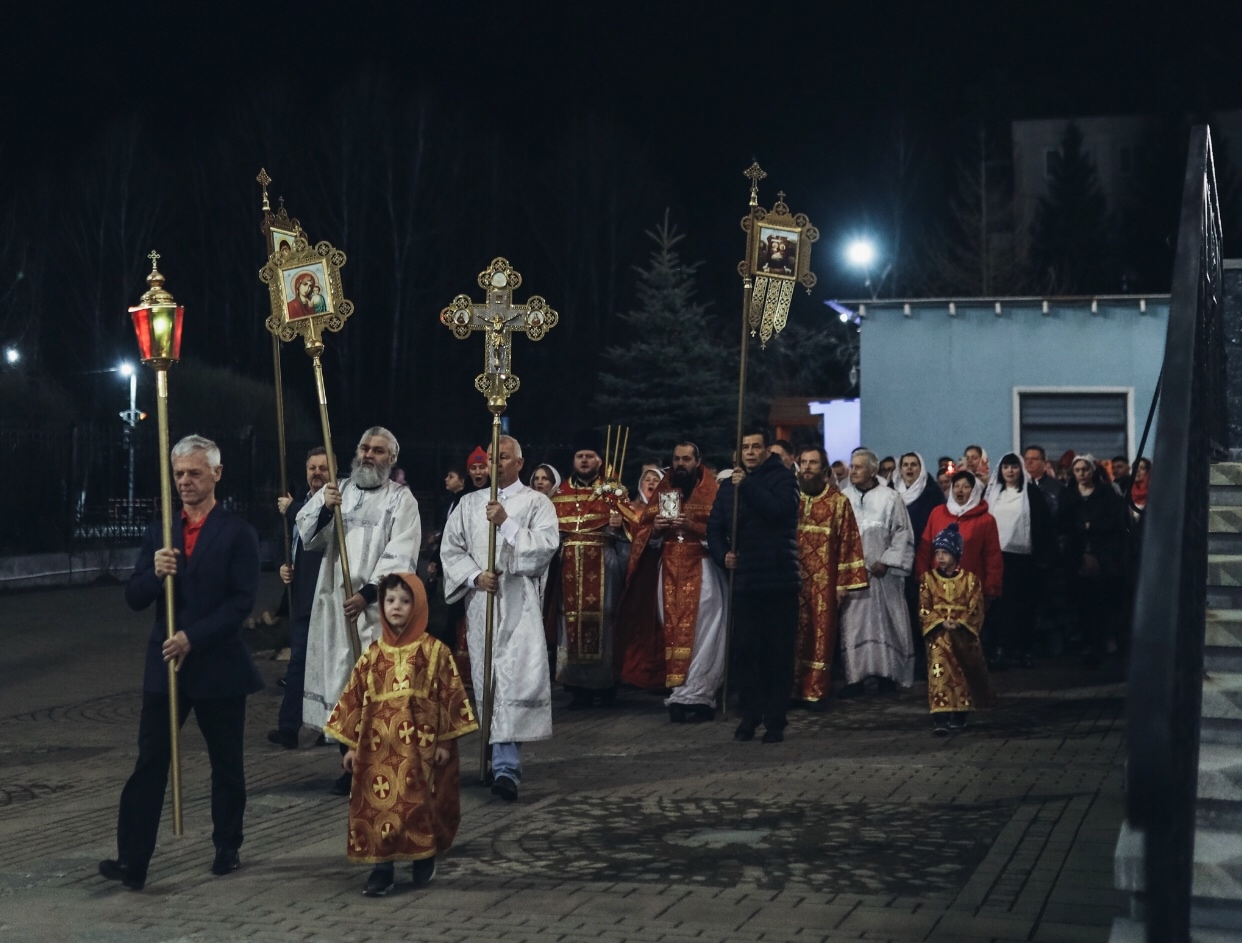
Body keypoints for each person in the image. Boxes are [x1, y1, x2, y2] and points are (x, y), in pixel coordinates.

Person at [100, 436, 262, 890]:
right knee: (150, 760)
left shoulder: (237, 533)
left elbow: (241, 603)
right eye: (178, 474)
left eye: (194, 472)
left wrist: (195, 636)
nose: (185, 481)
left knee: (225, 762)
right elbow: (134, 597)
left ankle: (227, 844)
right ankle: (132, 859)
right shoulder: (161, 532)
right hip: (166, 666)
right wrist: (155, 574)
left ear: (216, 474)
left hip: (217, 664)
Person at [325, 573, 477, 897]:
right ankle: (382, 870)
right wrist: (349, 746)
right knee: (379, 810)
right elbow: (353, 700)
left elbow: (451, 697)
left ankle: (423, 855)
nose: (396, 606)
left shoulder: (434, 651)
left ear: (418, 605)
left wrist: (445, 741)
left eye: (405, 601)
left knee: (417, 807)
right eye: (390, 600)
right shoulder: (371, 655)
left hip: (420, 752)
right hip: (376, 754)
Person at [297, 426, 422, 795]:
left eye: (378, 450)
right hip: (335, 604)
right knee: (342, 686)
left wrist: (368, 593)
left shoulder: (401, 500)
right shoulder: (338, 491)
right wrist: (325, 508)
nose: (368, 455)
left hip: (378, 608)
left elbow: (403, 551)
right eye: (365, 448)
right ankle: (350, 765)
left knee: (375, 689)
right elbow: (308, 536)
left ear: (391, 458)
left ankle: (377, 766)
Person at [439, 435, 559, 801]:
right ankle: (492, 757)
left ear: (519, 463)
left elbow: (545, 547)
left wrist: (506, 523)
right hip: (483, 604)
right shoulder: (468, 504)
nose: (495, 464)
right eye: (491, 457)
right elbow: (451, 548)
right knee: (488, 681)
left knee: (512, 681)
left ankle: (507, 767)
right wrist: (475, 577)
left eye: (503, 457)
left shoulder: (536, 502)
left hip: (519, 604)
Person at [621, 441, 726, 721]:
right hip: (667, 571)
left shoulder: (711, 491)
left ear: (697, 461)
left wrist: (692, 526)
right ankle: (680, 694)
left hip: (702, 569)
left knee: (704, 634)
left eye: (686, 459)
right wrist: (655, 529)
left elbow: (723, 531)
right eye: (677, 459)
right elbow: (644, 534)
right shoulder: (664, 489)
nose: (680, 464)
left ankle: (700, 695)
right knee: (672, 632)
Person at [708, 426, 800, 742]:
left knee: (777, 653)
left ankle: (775, 719)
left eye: (755, 446)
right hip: (745, 580)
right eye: (745, 447)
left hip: (778, 579)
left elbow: (779, 512)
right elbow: (715, 528)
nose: (749, 452)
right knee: (746, 652)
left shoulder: (783, 479)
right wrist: (723, 555)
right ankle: (750, 714)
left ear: (766, 450)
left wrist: (747, 486)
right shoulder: (728, 487)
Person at [551, 433, 629, 709]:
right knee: (569, 620)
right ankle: (576, 686)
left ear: (599, 460)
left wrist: (619, 526)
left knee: (604, 620)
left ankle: (605, 684)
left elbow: (633, 529)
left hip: (603, 562)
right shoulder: (560, 494)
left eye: (589, 456)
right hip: (569, 566)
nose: (584, 461)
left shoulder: (613, 491)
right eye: (579, 456)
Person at [792, 447, 868, 709]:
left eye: (813, 463)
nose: (807, 467)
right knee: (791, 635)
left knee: (820, 635)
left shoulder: (838, 502)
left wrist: (843, 584)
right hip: (792, 581)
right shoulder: (790, 498)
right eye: (803, 462)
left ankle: (815, 692)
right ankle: (790, 690)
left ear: (824, 468)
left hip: (824, 584)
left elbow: (849, 543)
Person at [838, 449, 916, 696]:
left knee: (888, 623)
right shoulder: (842, 498)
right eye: (852, 466)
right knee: (854, 626)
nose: (853, 471)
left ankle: (888, 675)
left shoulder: (890, 498)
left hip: (884, 576)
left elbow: (902, 532)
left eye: (858, 467)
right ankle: (855, 677)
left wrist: (886, 561)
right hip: (854, 576)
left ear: (872, 470)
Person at [267, 447, 330, 748]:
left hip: (325, 597)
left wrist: (292, 509)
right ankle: (289, 727)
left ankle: (328, 728)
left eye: (323, 467)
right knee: (299, 663)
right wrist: (283, 564)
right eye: (312, 468)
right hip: (301, 595)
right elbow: (282, 540)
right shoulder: (300, 501)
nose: (316, 473)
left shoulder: (334, 503)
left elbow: (314, 527)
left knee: (326, 665)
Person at [918, 523, 993, 735]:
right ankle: (940, 717)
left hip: (962, 637)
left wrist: (961, 623)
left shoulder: (970, 581)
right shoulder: (928, 580)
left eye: (945, 553)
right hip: (939, 637)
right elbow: (924, 608)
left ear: (956, 554)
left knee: (962, 674)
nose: (940, 557)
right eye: (937, 553)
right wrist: (940, 622)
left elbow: (976, 607)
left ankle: (959, 715)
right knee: (939, 674)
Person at [983, 453, 1055, 669]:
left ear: (1020, 469)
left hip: (1024, 559)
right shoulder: (993, 494)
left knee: (1023, 605)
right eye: (1006, 467)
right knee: (999, 606)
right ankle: (1000, 648)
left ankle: (1025, 650)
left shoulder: (1031, 493)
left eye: (1014, 467)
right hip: (997, 556)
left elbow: (1043, 524)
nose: (1010, 471)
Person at [1057, 454, 1130, 669]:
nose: (1082, 474)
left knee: (1101, 601)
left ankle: (1100, 643)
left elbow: (1116, 522)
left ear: (1092, 471)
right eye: (1077, 470)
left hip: (1103, 555)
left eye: (1085, 470)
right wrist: (1082, 527)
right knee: (1080, 601)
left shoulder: (1106, 494)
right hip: (1076, 554)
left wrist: (1092, 527)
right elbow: (1062, 522)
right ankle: (1084, 642)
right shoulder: (1068, 494)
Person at [894, 452, 945, 670]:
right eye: (905, 464)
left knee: (923, 612)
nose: (909, 468)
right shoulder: (891, 493)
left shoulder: (932, 494)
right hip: (895, 562)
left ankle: (926, 660)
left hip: (923, 559)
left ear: (921, 468)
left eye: (914, 464)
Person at [1022, 444, 1064, 518]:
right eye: (1026, 459)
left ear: (1044, 463)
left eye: (1034, 459)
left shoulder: (1058, 487)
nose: (1029, 462)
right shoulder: (1020, 486)